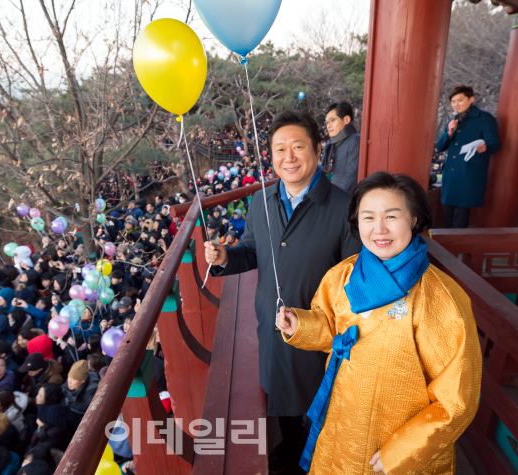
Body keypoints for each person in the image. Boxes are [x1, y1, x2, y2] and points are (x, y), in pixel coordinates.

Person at [277, 172, 482, 474]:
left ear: (414, 219)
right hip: (342, 424)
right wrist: (301, 325)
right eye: (368, 217)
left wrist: (402, 450)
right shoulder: (342, 275)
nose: (379, 229)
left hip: (393, 448)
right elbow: (334, 330)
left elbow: (457, 401)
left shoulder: (442, 300)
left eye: (392, 216)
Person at [204, 110, 361, 473]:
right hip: (273, 326)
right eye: (279, 149)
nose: (288, 157)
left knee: (321, 405)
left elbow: (351, 279)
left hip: (322, 332)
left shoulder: (343, 208)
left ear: (318, 150)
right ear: (270, 156)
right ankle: (292, 449)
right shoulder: (261, 201)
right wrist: (227, 256)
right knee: (284, 401)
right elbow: (251, 251)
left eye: (298, 147)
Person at [436, 85, 501, 228]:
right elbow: (440, 147)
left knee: (461, 215)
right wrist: (449, 132)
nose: (456, 104)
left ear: (471, 99)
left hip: (469, 171)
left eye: (459, 100)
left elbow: (495, 144)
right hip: (451, 173)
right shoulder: (453, 120)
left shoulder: (485, 118)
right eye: (453, 101)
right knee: (447, 213)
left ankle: (456, 248)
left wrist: (486, 147)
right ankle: (447, 247)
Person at [322, 101, 360, 194]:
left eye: (332, 120)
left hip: (344, 200)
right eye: (327, 122)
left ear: (346, 119)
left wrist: (336, 200)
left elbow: (351, 179)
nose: (328, 126)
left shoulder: (355, 140)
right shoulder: (337, 143)